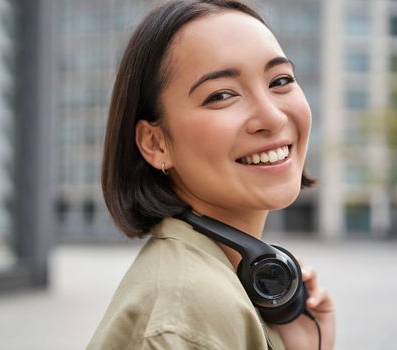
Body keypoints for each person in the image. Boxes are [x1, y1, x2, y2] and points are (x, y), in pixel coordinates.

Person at [87, 0, 335, 349]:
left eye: (280, 80)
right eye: (221, 95)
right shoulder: (190, 311)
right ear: (156, 143)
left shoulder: (212, 282)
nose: (272, 117)